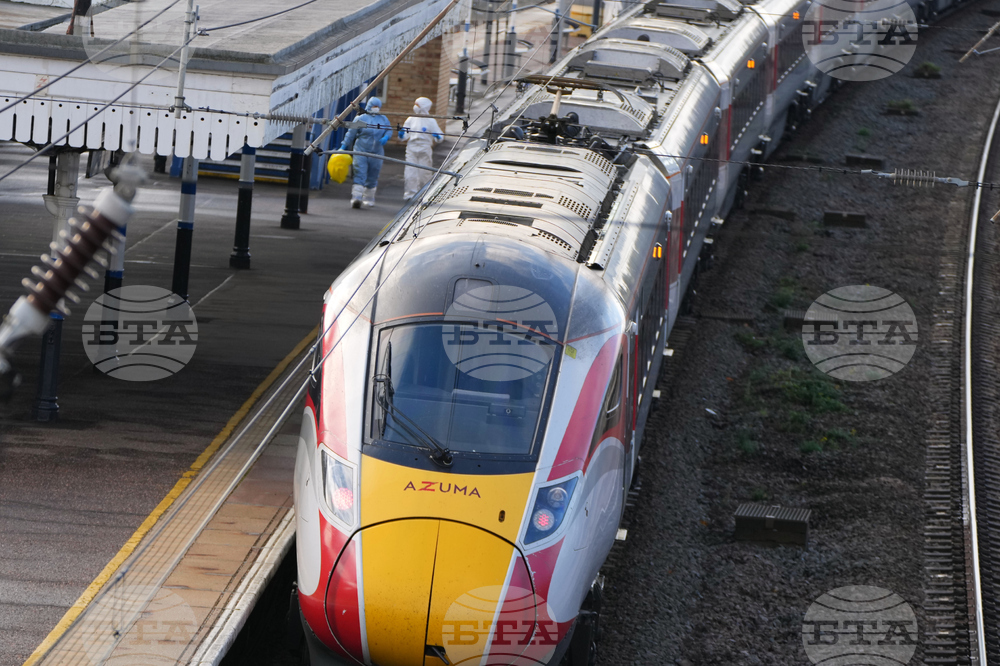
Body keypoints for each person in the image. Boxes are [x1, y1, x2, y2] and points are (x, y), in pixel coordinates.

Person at [340, 97, 391, 208]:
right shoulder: (361, 118)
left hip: (377, 152)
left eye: (378, 106)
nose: (376, 108)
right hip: (361, 151)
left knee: (373, 174)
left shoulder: (383, 119)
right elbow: (351, 133)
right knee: (360, 172)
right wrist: (343, 146)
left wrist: (386, 137)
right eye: (374, 106)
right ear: (369, 106)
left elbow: (389, 129)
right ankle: (356, 197)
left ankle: (369, 198)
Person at [398, 97, 443, 200]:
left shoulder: (431, 121)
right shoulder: (411, 119)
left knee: (424, 174)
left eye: (417, 105)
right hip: (412, 148)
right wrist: (401, 135)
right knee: (410, 173)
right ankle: (410, 195)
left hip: (425, 148)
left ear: (423, 107)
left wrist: (438, 137)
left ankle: (424, 195)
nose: (415, 107)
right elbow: (405, 136)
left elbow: (440, 136)